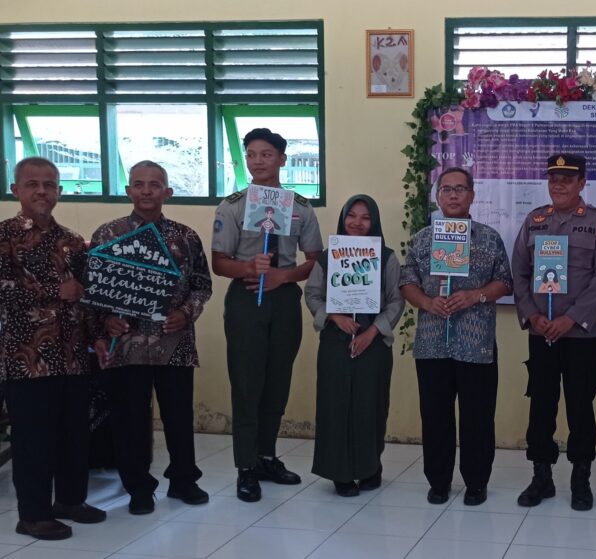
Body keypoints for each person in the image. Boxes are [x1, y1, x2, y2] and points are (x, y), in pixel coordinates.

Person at [90, 161, 213, 514]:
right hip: (126, 346)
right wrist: (106, 321)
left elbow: (202, 286)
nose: (146, 190)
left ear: (167, 192)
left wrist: (185, 313)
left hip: (175, 344)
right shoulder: (107, 235)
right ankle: (138, 488)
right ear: (128, 190)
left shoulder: (186, 237)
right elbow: (93, 290)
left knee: (179, 416)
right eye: (139, 184)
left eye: (154, 184)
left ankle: (184, 480)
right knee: (129, 420)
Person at [211, 128, 323, 502]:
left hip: (284, 298)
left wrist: (282, 276)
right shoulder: (233, 206)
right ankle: (246, 467)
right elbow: (219, 262)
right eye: (251, 155)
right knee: (247, 383)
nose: (258, 161)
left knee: (277, 381)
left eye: (266, 154)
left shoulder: (300, 207)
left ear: (282, 159)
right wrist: (249, 268)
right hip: (246, 298)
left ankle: (266, 457)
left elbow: (316, 261)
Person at [0, 157, 106, 540]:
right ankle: (33, 515)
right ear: (16, 190)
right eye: (33, 184)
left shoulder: (73, 241)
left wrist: (97, 336)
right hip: (28, 358)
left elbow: (85, 297)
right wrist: (52, 291)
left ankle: (70, 500)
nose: (42, 191)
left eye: (49, 184)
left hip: (73, 355)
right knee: (33, 440)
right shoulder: (5, 237)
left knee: (74, 434)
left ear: (60, 191)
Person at [399, 168, 512, 506]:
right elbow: (407, 281)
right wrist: (426, 302)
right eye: (446, 189)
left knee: (478, 417)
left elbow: (505, 282)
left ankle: (476, 482)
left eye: (460, 189)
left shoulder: (489, 238)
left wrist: (476, 295)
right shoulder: (422, 239)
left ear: (472, 196)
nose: (453, 195)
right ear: (437, 196)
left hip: (476, 345)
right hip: (432, 344)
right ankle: (439, 481)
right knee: (435, 416)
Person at [512, 154, 596, 511]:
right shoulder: (534, 221)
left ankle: (581, 479)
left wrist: (570, 318)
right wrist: (532, 315)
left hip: (580, 336)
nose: (559, 185)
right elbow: (519, 272)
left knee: (580, 407)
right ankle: (541, 477)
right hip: (541, 333)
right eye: (553, 178)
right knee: (541, 406)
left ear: (582, 183)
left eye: (567, 179)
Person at [304, 195, 404, 497]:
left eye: (365, 217)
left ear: (374, 222)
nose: (357, 223)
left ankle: (370, 467)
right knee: (335, 405)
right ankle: (340, 472)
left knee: (370, 405)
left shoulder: (386, 257)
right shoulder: (328, 258)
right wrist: (334, 317)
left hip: (373, 342)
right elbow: (312, 294)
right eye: (352, 215)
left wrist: (372, 332)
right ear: (343, 218)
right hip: (335, 341)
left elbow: (396, 301)